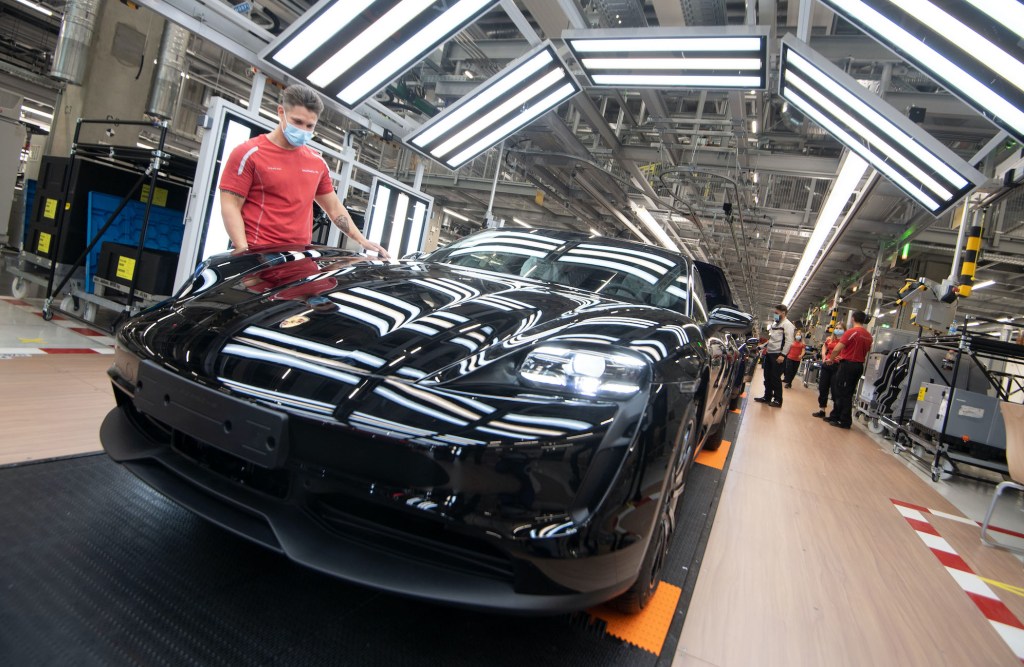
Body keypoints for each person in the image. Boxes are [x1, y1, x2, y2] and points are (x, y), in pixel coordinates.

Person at [219, 83, 389, 258]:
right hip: (259, 255)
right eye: (297, 122)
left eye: (310, 126)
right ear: (280, 112)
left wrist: (362, 240)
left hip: (298, 258)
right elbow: (230, 205)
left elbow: (334, 207)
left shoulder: (317, 163)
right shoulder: (249, 153)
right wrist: (244, 252)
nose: (303, 130)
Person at [824, 312, 873, 429]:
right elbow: (865, 350)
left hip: (847, 366)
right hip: (858, 365)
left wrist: (830, 359)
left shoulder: (852, 332)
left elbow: (837, 348)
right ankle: (835, 415)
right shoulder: (868, 335)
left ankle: (844, 420)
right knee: (847, 392)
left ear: (853, 319)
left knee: (841, 393)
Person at [755, 304, 795, 407]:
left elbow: (789, 341)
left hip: (778, 355)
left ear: (783, 313)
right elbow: (772, 340)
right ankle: (767, 396)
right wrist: (761, 347)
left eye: (776, 313)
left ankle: (778, 400)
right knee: (767, 376)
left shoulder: (787, 325)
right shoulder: (775, 325)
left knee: (775, 378)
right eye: (774, 313)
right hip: (769, 353)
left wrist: (783, 355)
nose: (775, 315)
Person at [812, 328, 842, 418]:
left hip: (837, 366)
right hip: (826, 365)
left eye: (841, 328)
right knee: (822, 388)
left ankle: (835, 413)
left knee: (835, 390)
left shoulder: (844, 341)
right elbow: (824, 346)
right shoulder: (829, 339)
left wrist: (839, 358)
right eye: (837, 328)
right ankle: (822, 410)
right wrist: (824, 356)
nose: (838, 330)